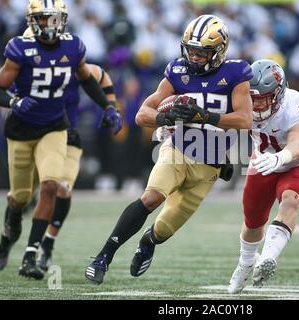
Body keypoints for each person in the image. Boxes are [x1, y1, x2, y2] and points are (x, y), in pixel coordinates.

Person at [85, 14, 253, 284]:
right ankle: (103, 256)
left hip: (209, 165)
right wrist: (166, 118)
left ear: (219, 51)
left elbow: (245, 121)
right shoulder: (177, 71)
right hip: (178, 150)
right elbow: (142, 115)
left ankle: (148, 242)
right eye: (191, 51)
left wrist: (204, 116)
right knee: (151, 197)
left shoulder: (236, 73)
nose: (194, 58)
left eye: (201, 53)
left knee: (164, 229)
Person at [0, 0, 122, 279]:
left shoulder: (73, 47)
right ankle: (6, 239)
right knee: (20, 199)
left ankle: (32, 253)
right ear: (31, 22)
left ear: (62, 20)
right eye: (43, 19)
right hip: (21, 131)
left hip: (55, 127)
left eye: (54, 19)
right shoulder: (20, 50)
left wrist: (109, 106)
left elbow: (90, 78)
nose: (49, 25)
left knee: (52, 185)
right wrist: (14, 101)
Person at [228, 59, 299, 294]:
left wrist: (281, 157)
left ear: (278, 93)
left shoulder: (296, 105)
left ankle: (268, 257)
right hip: (261, 163)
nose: (256, 106)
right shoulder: (240, 100)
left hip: (296, 165)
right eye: (252, 99)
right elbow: (221, 126)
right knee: (253, 223)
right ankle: (246, 263)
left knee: (290, 199)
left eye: (262, 99)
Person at [37, 62, 118, 271]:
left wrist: (111, 106)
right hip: (36, 137)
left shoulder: (72, 65)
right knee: (25, 193)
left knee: (63, 188)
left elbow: (101, 75)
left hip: (68, 138)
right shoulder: (30, 70)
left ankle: (46, 243)